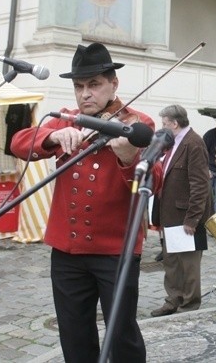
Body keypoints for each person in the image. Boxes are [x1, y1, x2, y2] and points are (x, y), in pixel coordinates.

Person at [10, 43, 151, 363]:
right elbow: (19, 143)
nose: (85, 94)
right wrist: (52, 138)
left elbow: (151, 177)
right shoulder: (65, 121)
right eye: (79, 86)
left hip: (116, 251)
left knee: (122, 334)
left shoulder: (136, 124)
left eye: (94, 85)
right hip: (67, 252)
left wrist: (128, 154)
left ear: (113, 85)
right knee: (73, 334)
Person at [150, 105, 212, 317]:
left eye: (164, 123)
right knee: (171, 262)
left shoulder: (193, 143)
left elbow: (200, 184)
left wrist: (193, 219)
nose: (162, 127)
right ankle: (173, 300)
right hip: (171, 215)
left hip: (186, 216)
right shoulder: (173, 143)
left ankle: (189, 305)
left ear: (174, 123)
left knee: (188, 265)